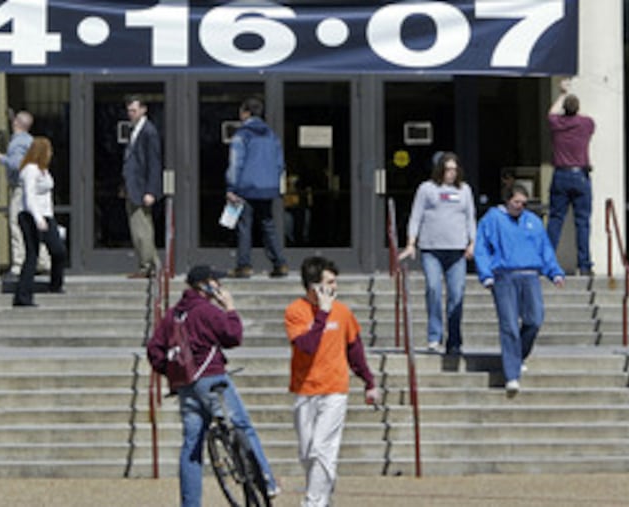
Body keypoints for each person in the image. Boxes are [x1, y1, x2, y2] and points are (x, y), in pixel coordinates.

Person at [147, 265, 279, 506]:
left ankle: (190, 503)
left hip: (185, 384)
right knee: (242, 425)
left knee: (191, 445)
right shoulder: (206, 310)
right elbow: (233, 336)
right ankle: (266, 481)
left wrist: (169, 370)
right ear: (204, 285)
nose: (219, 285)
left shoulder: (174, 314)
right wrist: (229, 308)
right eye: (215, 281)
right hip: (212, 377)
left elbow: (154, 349)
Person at [284, 256, 379, 506]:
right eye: (330, 282)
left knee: (323, 448)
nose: (335, 287)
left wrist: (369, 381)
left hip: (335, 389)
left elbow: (355, 350)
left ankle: (313, 501)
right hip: (305, 389)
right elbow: (306, 346)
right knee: (307, 453)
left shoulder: (344, 312)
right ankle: (324, 495)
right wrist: (322, 315)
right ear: (314, 286)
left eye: (335, 282)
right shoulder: (295, 311)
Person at [474, 185, 565, 394]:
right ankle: (512, 375)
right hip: (504, 276)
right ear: (507, 201)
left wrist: (555, 272)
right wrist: (486, 275)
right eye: (516, 202)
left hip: (530, 275)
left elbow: (545, 249)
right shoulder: (492, 219)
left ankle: (517, 355)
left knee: (534, 320)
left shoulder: (532, 221)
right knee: (509, 326)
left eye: (524, 203)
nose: (520, 207)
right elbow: (481, 248)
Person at [398, 152, 476, 354]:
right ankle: (434, 335)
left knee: (456, 294)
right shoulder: (427, 189)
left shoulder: (464, 190)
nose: (451, 173)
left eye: (454, 169)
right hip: (431, 249)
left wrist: (472, 243)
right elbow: (416, 216)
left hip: (457, 250)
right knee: (433, 289)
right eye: (448, 169)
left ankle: (454, 340)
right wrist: (410, 242)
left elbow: (470, 217)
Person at [225, 97, 288, 279]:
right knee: (268, 225)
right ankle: (280, 263)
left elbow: (236, 163)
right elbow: (279, 164)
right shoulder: (271, 135)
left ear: (246, 113)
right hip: (267, 187)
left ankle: (244, 266)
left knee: (245, 226)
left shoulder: (242, 135)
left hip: (245, 187)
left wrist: (231, 187)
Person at [0, 110, 51, 276]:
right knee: (35, 225)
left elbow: (18, 164)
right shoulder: (30, 141)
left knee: (16, 224)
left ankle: (19, 263)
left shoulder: (17, 142)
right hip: (31, 188)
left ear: (16, 123)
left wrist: (0, 157)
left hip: (20, 188)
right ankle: (43, 261)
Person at [546, 78, 596, 276]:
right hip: (580, 175)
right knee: (582, 222)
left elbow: (551, 113)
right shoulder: (586, 124)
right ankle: (584, 265)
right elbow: (585, 117)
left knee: (556, 219)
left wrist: (562, 92)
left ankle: (547, 261)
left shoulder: (556, 124)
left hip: (561, 174)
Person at [13, 137, 66, 307]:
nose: (51, 153)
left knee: (58, 251)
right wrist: (38, 218)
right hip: (30, 216)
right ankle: (23, 296)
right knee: (32, 255)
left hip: (46, 215)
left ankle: (56, 284)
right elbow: (29, 196)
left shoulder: (44, 171)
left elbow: (46, 197)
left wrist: (49, 219)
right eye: (48, 150)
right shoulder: (30, 170)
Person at [122, 95, 162, 278]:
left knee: (141, 228)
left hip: (141, 188)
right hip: (133, 186)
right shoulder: (135, 130)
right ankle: (152, 263)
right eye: (129, 110)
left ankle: (147, 265)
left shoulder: (149, 132)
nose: (131, 114)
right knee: (139, 226)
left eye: (134, 110)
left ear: (144, 109)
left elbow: (154, 163)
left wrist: (151, 190)